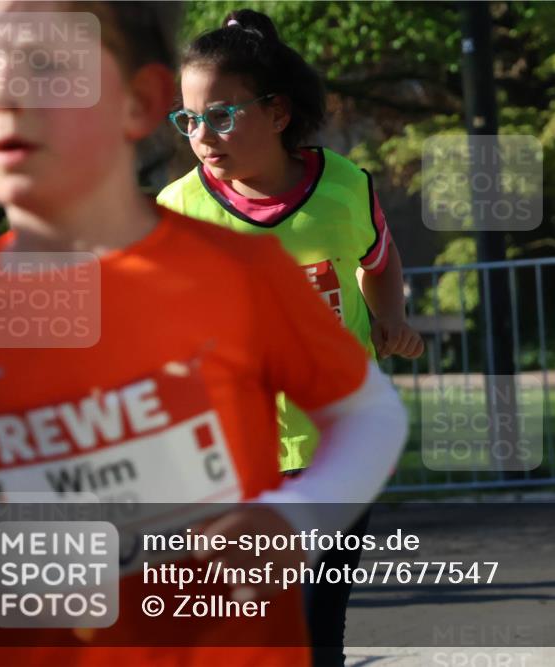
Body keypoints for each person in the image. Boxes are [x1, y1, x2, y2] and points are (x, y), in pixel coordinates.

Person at [0, 2, 407, 665]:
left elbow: (369, 411)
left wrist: (298, 515)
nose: (6, 97)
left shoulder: (238, 270)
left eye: (47, 69)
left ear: (139, 103)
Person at [156, 9, 422, 665]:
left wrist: (391, 319)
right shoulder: (176, 210)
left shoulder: (343, 188)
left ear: (277, 113)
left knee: (315, 621)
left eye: (221, 114)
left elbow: (380, 262)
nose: (201, 133)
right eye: (188, 118)